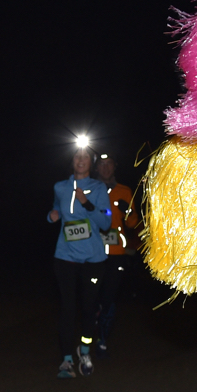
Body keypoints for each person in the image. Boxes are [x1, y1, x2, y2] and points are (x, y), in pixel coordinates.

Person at [47, 143, 112, 378]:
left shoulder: (98, 188)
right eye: (77, 155)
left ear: (91, 163)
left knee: (88, 308)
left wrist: (87, 203)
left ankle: (84, 351)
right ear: (72, 160)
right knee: (67, 308)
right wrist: (51, 215)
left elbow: (106, 221)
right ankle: (66, 360)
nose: (81, 159)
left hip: (92, 259)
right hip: (64, 257)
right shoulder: (60, 187)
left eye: (85, 156)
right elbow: (56, 208)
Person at [94, 154, 139, 354]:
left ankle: (102, 337)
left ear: (115, 167)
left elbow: (132, 223)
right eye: (101, 165)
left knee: (109, 297)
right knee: (92, 296)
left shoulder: (124, 191)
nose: (105, 168)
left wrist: (126, 210)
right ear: (96, 168)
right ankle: (92, 331)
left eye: (109, 164)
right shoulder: (89, 189)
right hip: (92, 253)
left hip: (116, 252)